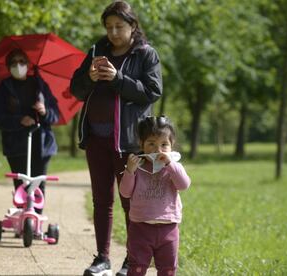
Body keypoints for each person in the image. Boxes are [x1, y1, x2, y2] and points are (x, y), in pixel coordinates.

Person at [70, 1, 163, 275]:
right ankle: (102, 258)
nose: (113, 32)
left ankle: (131, 260)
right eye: (109, 27)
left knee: (130, 202)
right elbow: (76, 89)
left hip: (129, 142)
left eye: (119, 27)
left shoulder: (146, 54)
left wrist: (118, 78)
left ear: (132, 26)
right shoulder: (96, 51)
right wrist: (88, 76)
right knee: (101, 200)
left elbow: (152, 92)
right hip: (96, 139)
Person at [119, 116, 191, 276]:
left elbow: (184, 185)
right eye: (151, 143)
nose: (157, 150)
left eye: (164, 145)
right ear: (141, 144)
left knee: (168, 269)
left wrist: (170, 165)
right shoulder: (138, 166)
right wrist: (129, 171)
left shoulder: (174, 166)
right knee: (136, 267)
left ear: (172, 146)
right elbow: (125, 192)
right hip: (140, 227)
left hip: (168, 228)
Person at [0, 48, 59, 214]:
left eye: (22, 61)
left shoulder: (40, 85)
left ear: (28, 64)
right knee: (21, 183)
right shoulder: (4, 88)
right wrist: (19, 120)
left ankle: (35, 220)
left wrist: (44, 111)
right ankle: (22, 217)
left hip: (41, 142)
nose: (18, 65)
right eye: (13, 63)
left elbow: (55, 114)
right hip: (16, 144)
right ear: (8, 67)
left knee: (38, 184)